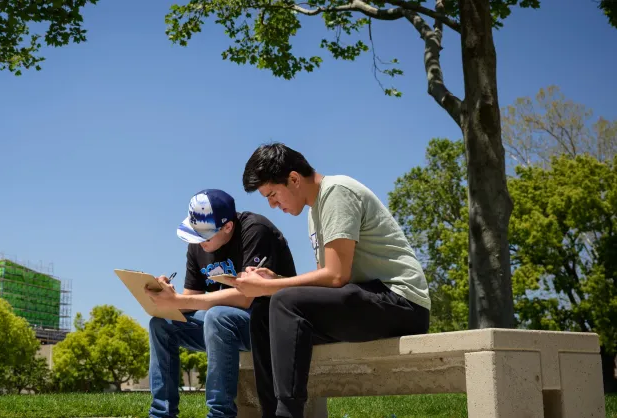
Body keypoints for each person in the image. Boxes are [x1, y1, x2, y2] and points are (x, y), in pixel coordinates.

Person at [233, 142, 431, 418]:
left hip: (401, 303)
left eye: (273, 195)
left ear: (293, 179)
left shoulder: (337, 192)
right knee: (264, 312)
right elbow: (325, 282)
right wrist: (274, 279)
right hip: (365, 298)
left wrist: (267, 286)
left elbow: (337, 276)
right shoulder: (314, 213)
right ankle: (272, 412)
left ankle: (287, 413)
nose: (273, 205)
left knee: (282, 300)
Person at [144, 188, 297, 418]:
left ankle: (220, 414)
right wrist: (164, 296)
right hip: (221, 326)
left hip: (265, 324)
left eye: (205, 236)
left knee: (218, 316)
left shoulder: (255, 230)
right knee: (161, 324)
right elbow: (192, 297)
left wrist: (181, 300)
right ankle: (161, 414)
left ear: (228, 227)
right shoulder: (197, 244)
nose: (199, 242)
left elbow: (246, 297)